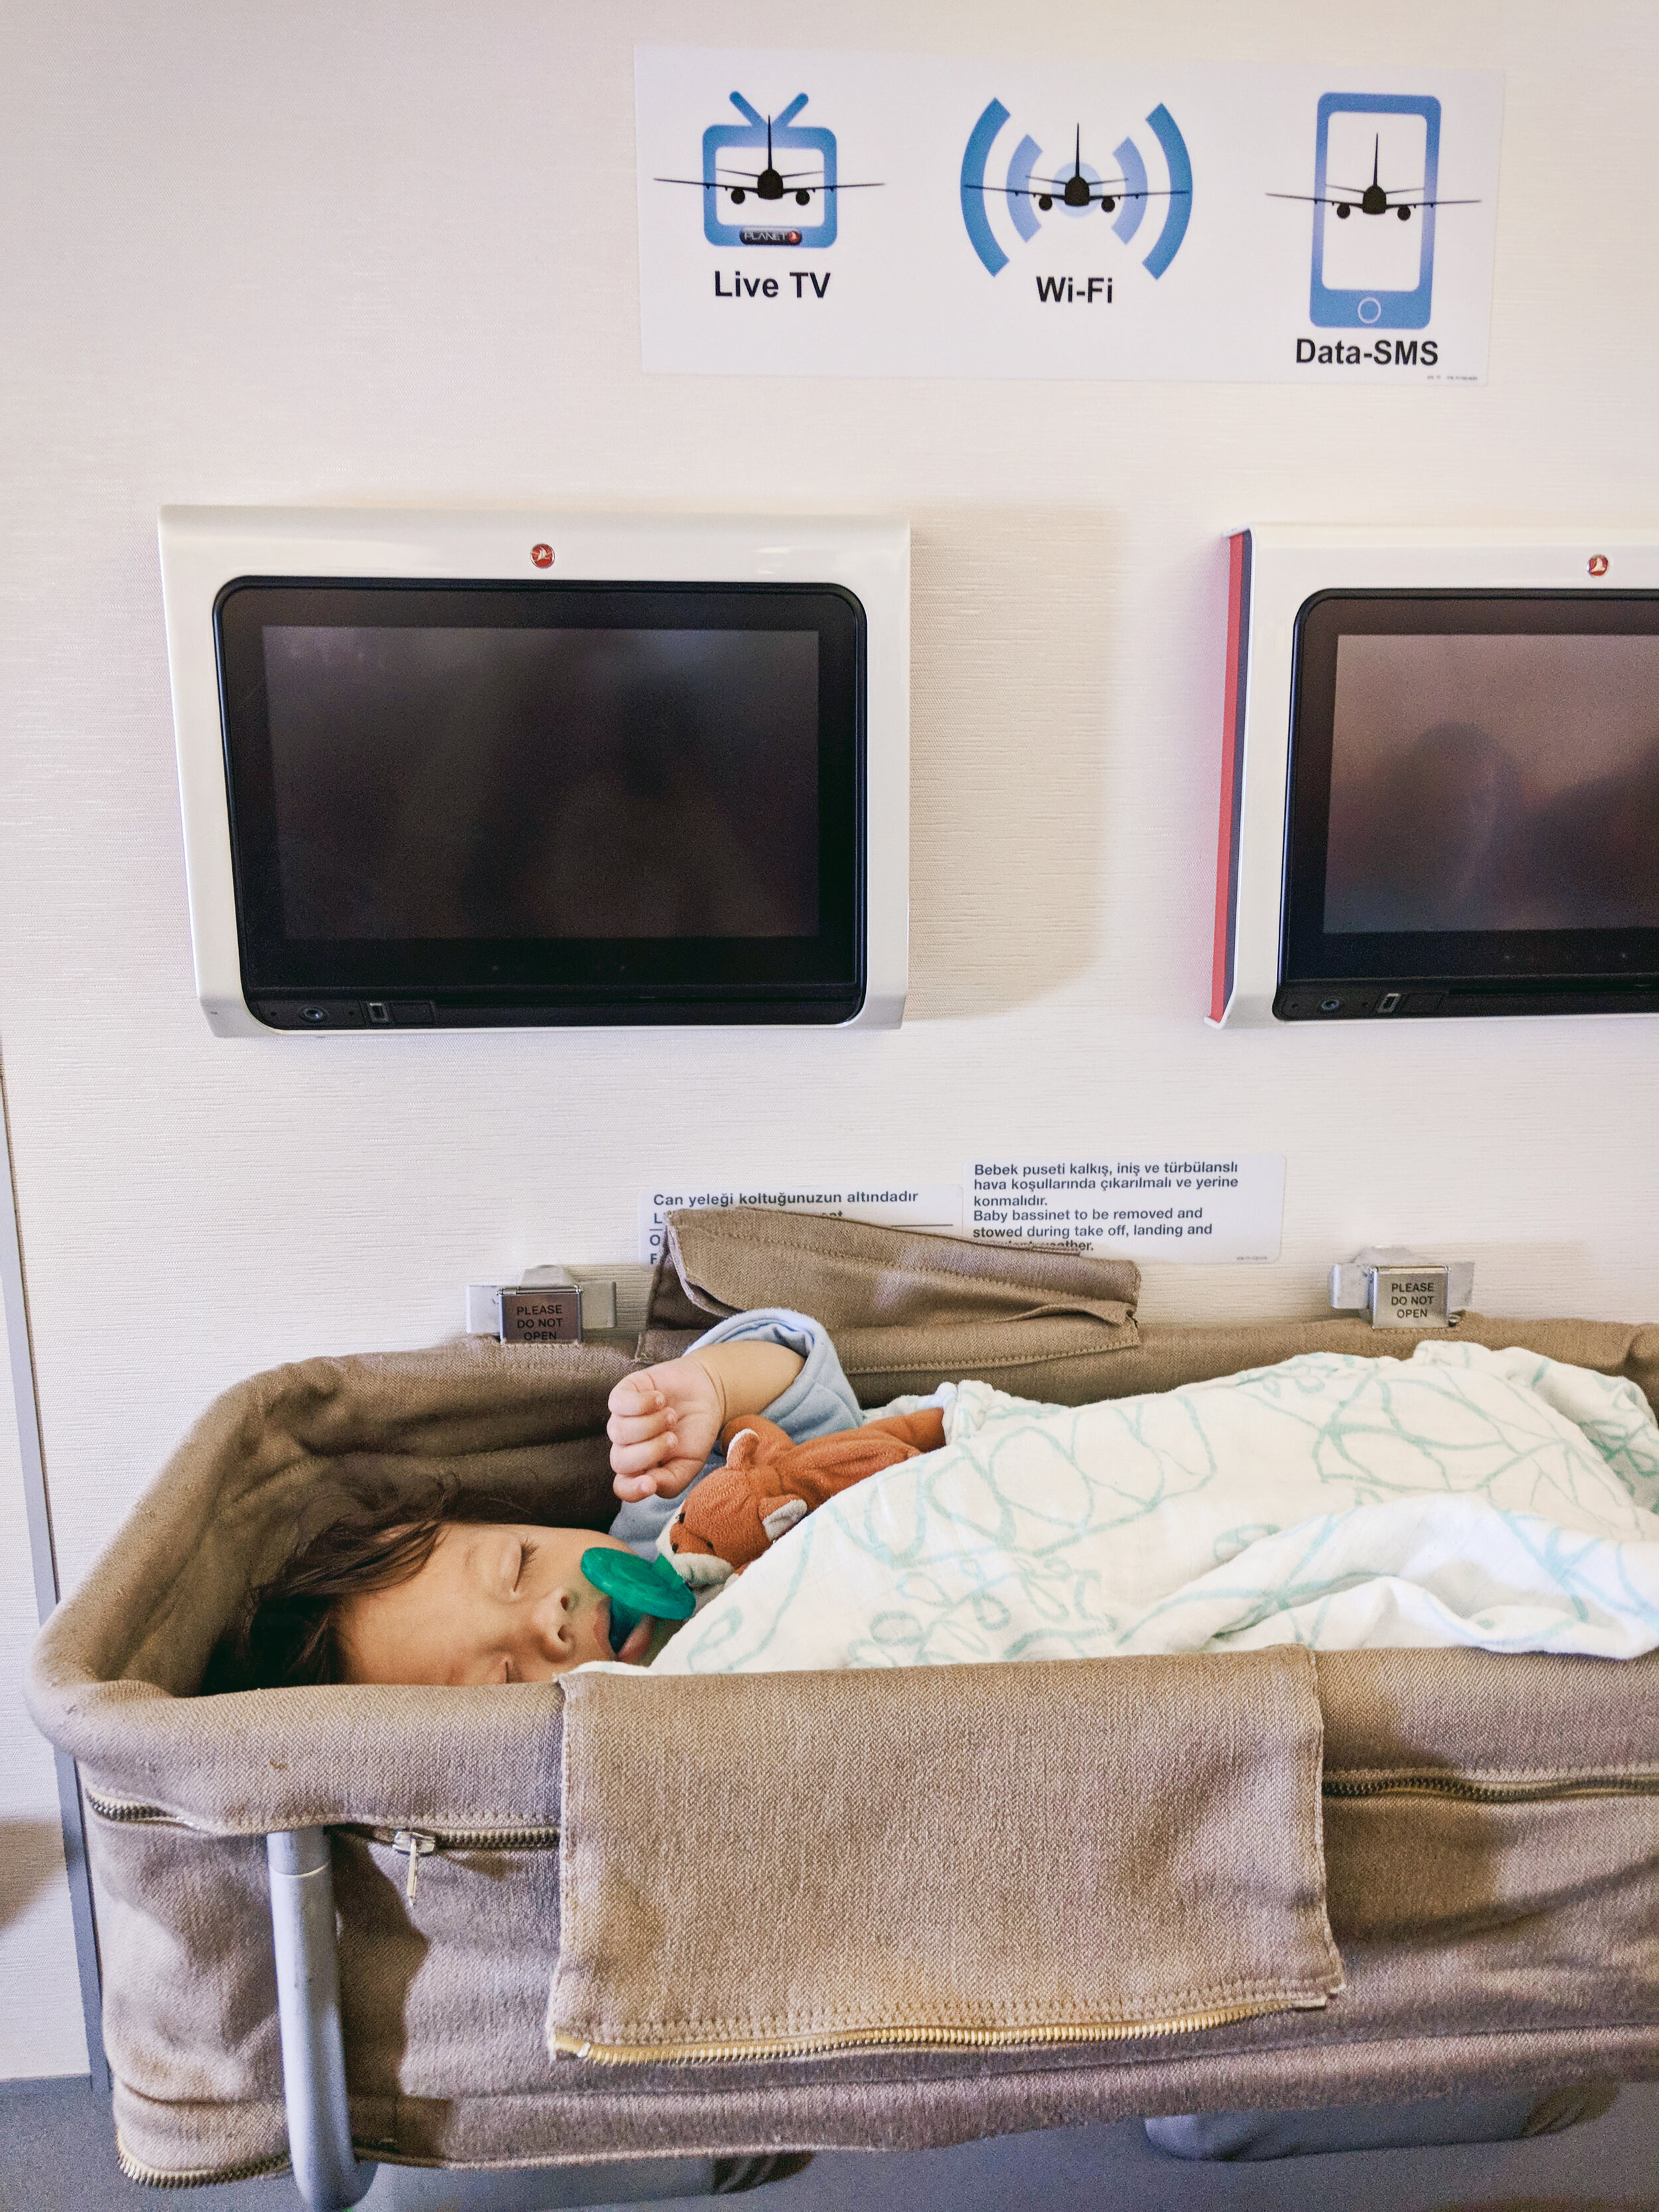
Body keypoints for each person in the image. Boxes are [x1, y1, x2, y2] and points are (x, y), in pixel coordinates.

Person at [206, 1317, 826, 1692]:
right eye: (505, 1678)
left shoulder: (670, 1514)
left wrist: (714, 1386)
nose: (547, 1620)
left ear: (529, 1519)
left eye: (519, 1563)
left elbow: (814, 1402)